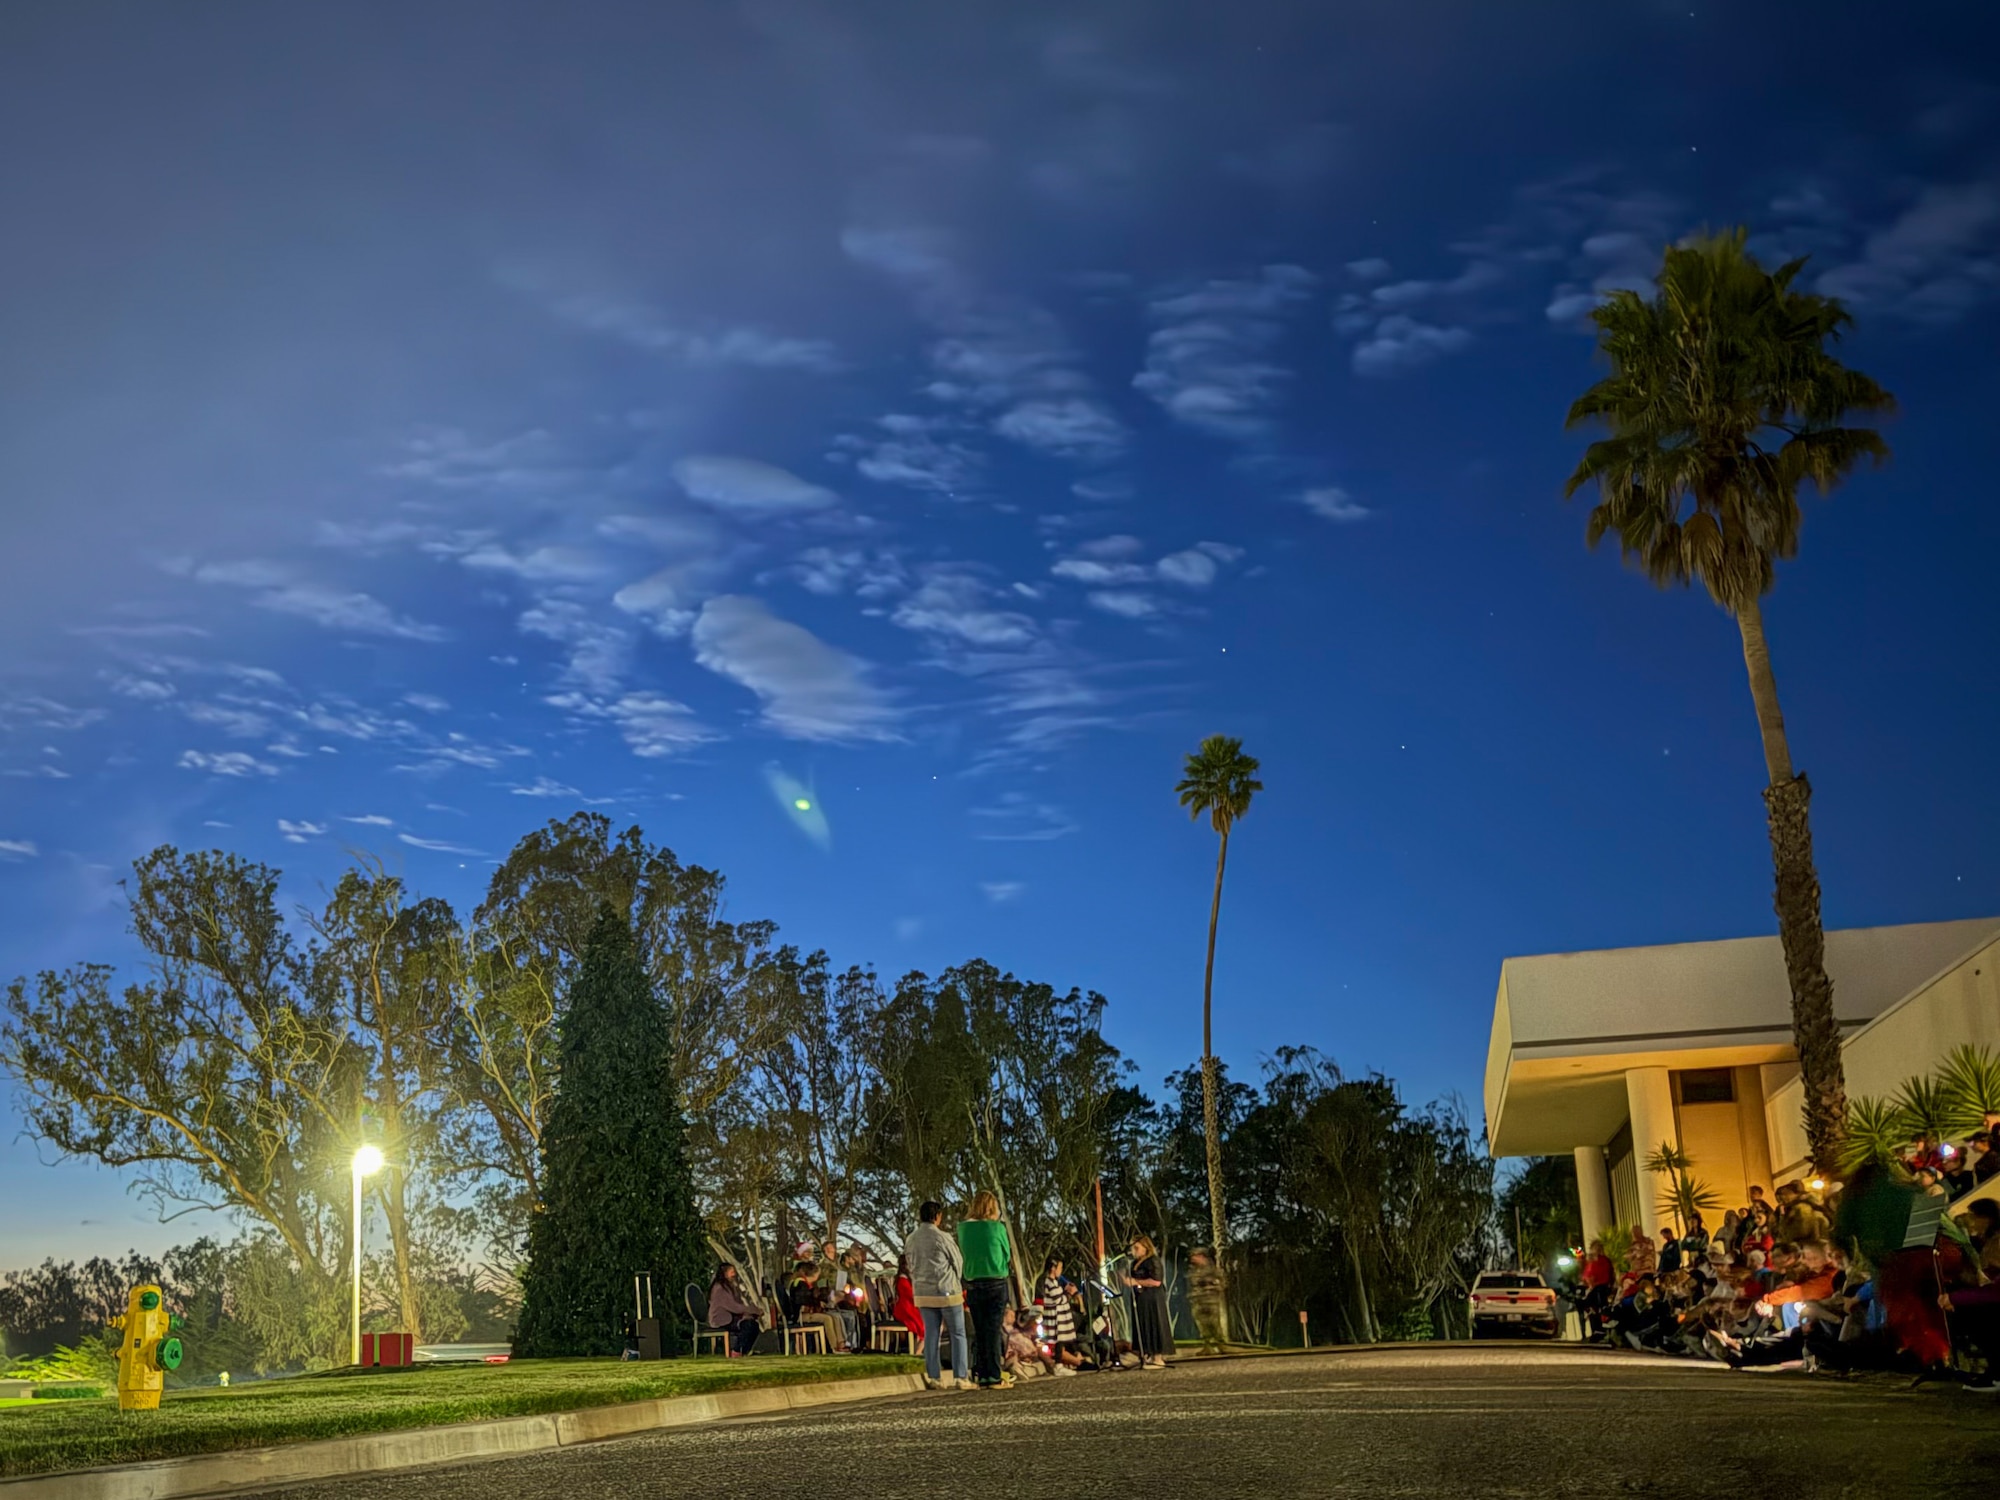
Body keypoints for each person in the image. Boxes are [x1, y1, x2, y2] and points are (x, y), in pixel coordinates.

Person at [904, 1201, 969, 1390]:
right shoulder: (942, 1237)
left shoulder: (911, 1239)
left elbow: (910, 1264)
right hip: (946, 1290)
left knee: (931, 1333)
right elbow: (957, 1261)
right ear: (937, 1216)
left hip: (923, 1292)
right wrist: (955, 1280)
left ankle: (934, 1376)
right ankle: (960, 1376)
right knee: (958, 1332)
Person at [958, 1190, 1015, 1390]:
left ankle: (982, 1374)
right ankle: (993, 1375)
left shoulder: (963, 1229)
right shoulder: (996, 1228)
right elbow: (1006, 1253)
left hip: (973, 1282)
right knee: (993, 1330)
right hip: (995, 1281)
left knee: (980, 1330)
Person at [1122, 1235, 1174, 1369]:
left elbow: (1156, 1281)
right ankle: (1147, 1354)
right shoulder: (1134, 1263)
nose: (1134, 1251)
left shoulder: (1152, 1261)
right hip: (1140, 1299)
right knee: (1142, 1325)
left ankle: (1158, 1357)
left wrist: (1136, 1282)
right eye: (1133, 1248)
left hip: (1153, 1299)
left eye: (1137, 1248)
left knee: (1154, 1324)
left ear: (1146, 1247)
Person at [786, 1262, 847, 1355]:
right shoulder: (799, 1283)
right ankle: (834, 1346)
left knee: (834, 1317)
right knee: (827, 1319)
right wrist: (817, 1303)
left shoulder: (806, 1284)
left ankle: (841, 1344)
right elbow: (803, 1300)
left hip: (807, 1313)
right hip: (801, 1315)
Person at [1036, 1256, 1085, 1367]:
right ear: (1053, 1268)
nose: (1061, 1270)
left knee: (1061, 1341)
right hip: (1054, 1318)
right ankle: (1060, 1364)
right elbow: (1058, 1299)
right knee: (1058, 1341)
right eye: (1060, 1267)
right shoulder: (1048, 1281)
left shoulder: (1054, 1282)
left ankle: (1068, 1361)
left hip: (1058, 1317)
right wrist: (1069, 1293)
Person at [706, 1263, 763, 1357]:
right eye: (732, 1272)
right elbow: (734, 1307)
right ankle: (736, 1350)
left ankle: (744, 1351)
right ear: (724, 1273)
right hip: (721, 1319)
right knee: (747, 1325)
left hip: (732, 1317)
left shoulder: (730, 1287)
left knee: (753, 1325)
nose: (734, 1274)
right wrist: (754, 1311)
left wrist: (747, 1314)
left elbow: (738, 1306)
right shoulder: (720, 1288)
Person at [1188, 1247, 1227, 1355]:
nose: (1193, 1259)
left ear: (1201, 1256)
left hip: (1210, 1301)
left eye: (1195, 1256)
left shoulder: (1212, 1269)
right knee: (1202, 1326)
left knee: (1214, 1325)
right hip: (1198, 1301)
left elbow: (1222, 1283)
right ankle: (1207, 1347)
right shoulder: (1194, 1270)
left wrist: (1211, 1288)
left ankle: (1221, 1346)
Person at [893, 1255, 926, 1350]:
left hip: (910, 1308)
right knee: (925, 1326)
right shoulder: (903, 1280)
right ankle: (917, 1353)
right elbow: (911, 1296)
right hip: (906, 1310)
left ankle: (918, 1351)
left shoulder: (906, 1279)